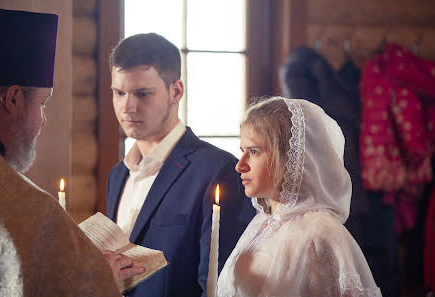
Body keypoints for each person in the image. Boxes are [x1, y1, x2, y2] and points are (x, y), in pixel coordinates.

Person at [0, 8, 144, 296]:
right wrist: (96, 278)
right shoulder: (26, 209)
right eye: (42, 104)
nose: (43, 120)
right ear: (13, 98)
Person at [107, 32, 255, 297]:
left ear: (176, 91)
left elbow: (221, 285)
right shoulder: (117, 176)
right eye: (119, 93)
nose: (127, 107)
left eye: (142, 94)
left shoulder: (218, 170)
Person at [217, 97, 382, 296]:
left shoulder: (321, 233)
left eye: (254, 151)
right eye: (242, 151)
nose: (240, 165)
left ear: (288, 157)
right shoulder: (261, 223)